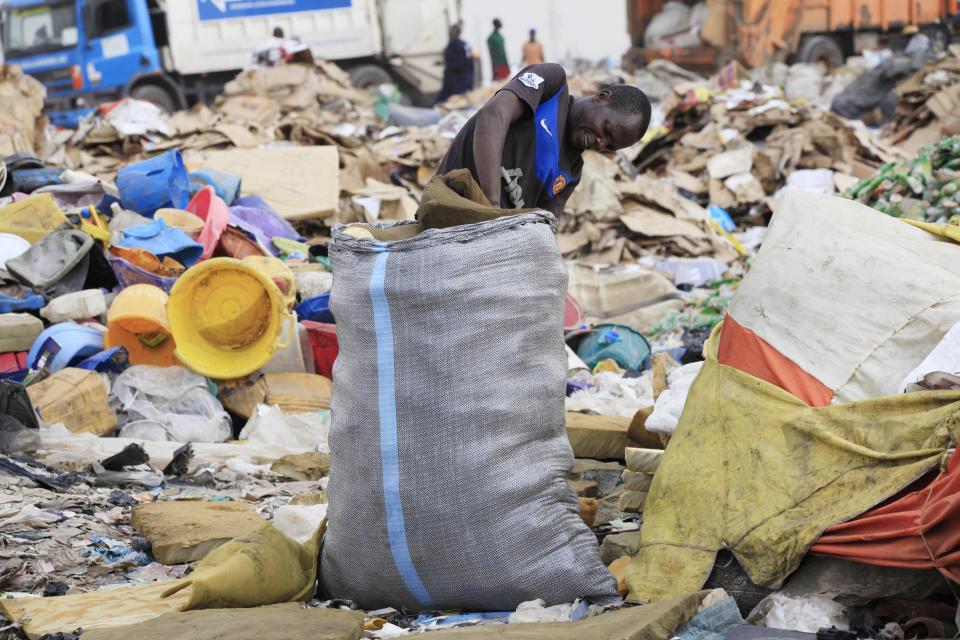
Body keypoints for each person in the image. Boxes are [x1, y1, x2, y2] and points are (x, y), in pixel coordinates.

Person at [437, 63, 650, 215]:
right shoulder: (552, 87)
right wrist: (491, 208)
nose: (601, 143)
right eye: (607, 129)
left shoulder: (571, 172)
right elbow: (493, 115)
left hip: (480, 250)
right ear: (602, 97)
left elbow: (544, 227)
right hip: (445, 213)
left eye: (610, 146)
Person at [436, 24, 474, 104]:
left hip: (457, 82)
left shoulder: (455, 46)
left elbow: (463, 63)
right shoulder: (462, 45)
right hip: (456, 81)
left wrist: (448, 63)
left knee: (453, 102)